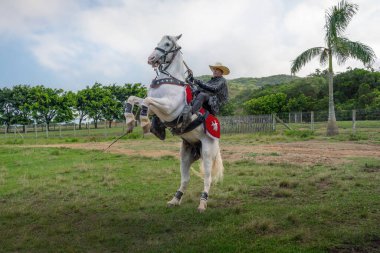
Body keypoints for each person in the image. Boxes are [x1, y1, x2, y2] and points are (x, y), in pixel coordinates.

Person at [182, 62, 230, 128]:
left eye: (217, 70)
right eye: (214, 70)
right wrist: (191, 77)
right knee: (193, 91)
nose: (214, 71)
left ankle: (189, 115)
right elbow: (200, 88)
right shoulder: (211, 81)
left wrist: (197, 81)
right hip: (208, 100)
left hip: (214, 103)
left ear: (221, 72)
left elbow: (213, 89)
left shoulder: (222, 80)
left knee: (202, 95)